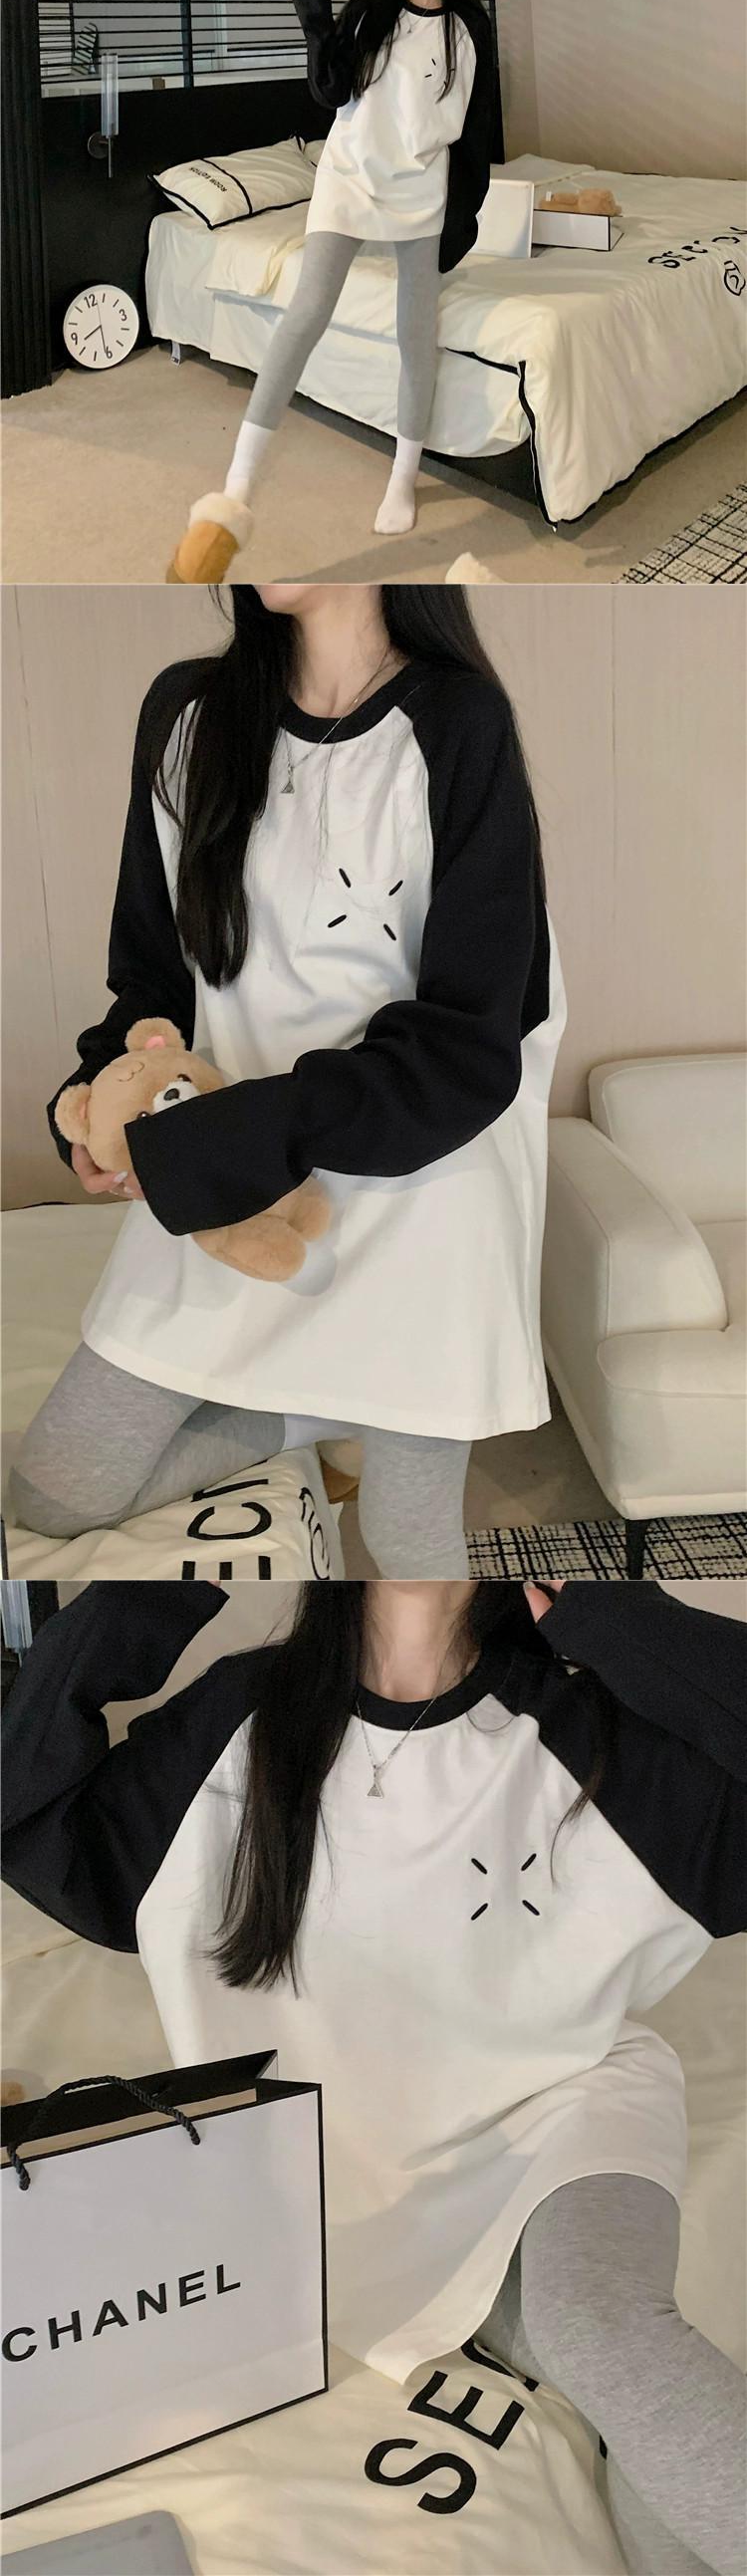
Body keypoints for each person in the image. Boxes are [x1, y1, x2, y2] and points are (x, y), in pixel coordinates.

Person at [2, 1568, 745, 2576]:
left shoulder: (581, 1723)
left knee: (603, 2336)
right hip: (318, 2169)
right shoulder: (242, 1713)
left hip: (562, 2113)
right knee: (611, 2396)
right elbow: (26, 1809)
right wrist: (154, 1589)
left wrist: (615, 1617)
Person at [10, 584, 565, 1576]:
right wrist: (98, 1100)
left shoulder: (458, 721)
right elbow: (152, 976)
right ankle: (302, 1417)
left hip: (420, 1196)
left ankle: (345, 1414)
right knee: (53, 1495)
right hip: (225, 1192)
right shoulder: (187, 714)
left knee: (406, 1541)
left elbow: (472, 1042)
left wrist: (232, 1138)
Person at [167, 0, 496, 583]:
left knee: (415, 331)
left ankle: (403, 476)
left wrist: (464, 206)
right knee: (306, 314)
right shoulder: (371, 9)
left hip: (419, 189)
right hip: (346, 179)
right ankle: (239, 484)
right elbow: (330, 89)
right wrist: (311, 3)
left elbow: (470, 124)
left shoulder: (467, 28)